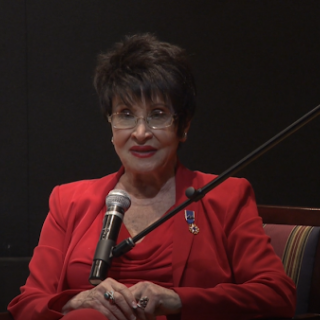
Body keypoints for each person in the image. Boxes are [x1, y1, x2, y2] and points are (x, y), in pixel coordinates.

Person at [8, 33, 296, 320]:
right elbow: (26, 305)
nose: (141, 133)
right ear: (111, 126)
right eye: (125, 114)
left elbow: (277, 295)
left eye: (157, 114)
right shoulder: (68, 201)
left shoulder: (225, 195)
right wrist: (76, 302)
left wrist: (178, 299)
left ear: (182, 126)